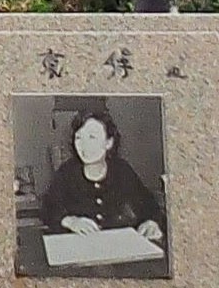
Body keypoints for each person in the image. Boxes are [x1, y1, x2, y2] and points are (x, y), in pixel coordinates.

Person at [34, 107, 165, 255]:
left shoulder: (122, 170)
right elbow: (47, 209)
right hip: (80, 253)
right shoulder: (67, 172)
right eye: (78, 138)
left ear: (108, 143)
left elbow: (148, 204)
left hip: (117, 251)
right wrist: (70, 221)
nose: (83, 145)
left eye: (92, 137)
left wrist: (151, 222)